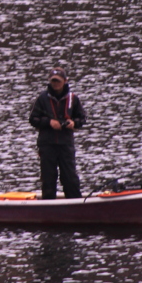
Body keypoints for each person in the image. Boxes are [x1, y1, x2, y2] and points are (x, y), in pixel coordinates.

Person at [29, 67, 87, 199]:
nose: (55, 84)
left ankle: (75, 205)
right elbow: (33, 119)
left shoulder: (73, 99)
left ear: (65, 81)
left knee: (70, 178)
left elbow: (82, 118)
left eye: (58, 81)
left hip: (65, 144)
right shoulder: (42, 98)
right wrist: (49, 122)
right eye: (53, 81)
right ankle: (48, 206)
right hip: (47, 144)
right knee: (48, 179)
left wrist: (74, 123)